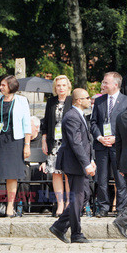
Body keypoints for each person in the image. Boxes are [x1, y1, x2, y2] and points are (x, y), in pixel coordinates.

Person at [0, 75, 31, 217]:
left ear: (11, 86)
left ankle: (10, 206)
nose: (1, 87)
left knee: (11, 175)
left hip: (14, 141)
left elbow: (27, 124)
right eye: (0, 85)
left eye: (3, 85)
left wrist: (27, 145)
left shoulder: (21, 101)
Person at [49, 88, 95, 244]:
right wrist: (86, 163)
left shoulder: (79, 115)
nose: (90, 100)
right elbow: (76, 143)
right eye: (87, 98)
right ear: (78, 100)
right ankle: (76, 234)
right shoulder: (71, 117)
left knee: (85, 196)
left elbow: (86, 141)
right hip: (74, 163)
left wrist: (91, 160)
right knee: (77, 198)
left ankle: (60, 226)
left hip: (81, 163)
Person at [90, 72, 127, 217]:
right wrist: (99, 137)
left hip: (118, 147)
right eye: (103, 82)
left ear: (115, 85)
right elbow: (93, 122)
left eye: (106, 82)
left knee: (120, 179)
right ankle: (103, 207)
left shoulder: (125, 101)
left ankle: (122, 209)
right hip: (101, 146)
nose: (102, 85)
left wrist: (116, 138)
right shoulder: (99, 101)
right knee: (102, 178)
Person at [41, 75, 73, 217]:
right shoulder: (51, 101)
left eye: (63, 85)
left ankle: (68, 203)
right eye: (58, 85)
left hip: (68, 142)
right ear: (55, 87)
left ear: (68, 87)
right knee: (56, 173)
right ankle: (60, 204)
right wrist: (44, 139)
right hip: (54, 143)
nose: (61, 88)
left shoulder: (72, 101)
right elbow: (46, 122)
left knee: (67, 172)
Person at [113, 107, 127, 237]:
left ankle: (122, 220)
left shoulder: (120, 116)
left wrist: (119, 165)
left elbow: (118, 142)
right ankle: (122, 220)